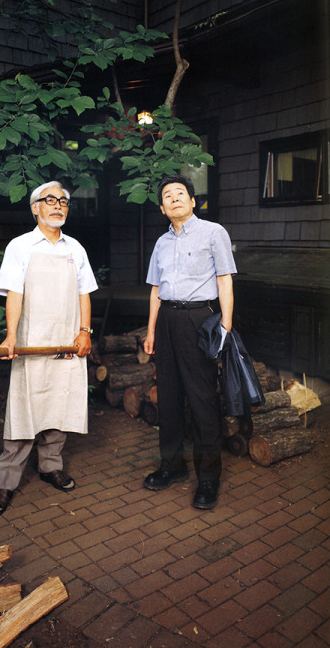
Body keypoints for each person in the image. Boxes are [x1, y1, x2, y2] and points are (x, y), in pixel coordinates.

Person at [0, 180, 98, 516]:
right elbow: (14, 294)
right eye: (50, 200)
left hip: (66, 342)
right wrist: (11, 336)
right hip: (32, 343)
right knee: (24, 409)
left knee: (58, 405)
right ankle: (5, 483)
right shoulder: (20, 247)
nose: (58, 205)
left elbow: (84, 294)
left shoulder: (75, 249)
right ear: (35, 208)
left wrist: (84, 332)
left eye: (63, 201)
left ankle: (50, 466)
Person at [143, 174, 237, 510]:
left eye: (180, 193)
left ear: (193, 201)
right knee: (168, 398)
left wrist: (225, 326)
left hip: (199, 320)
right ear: (162, 208)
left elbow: (224, 279)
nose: (174, 198)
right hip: (167, 320)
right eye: (167, 195)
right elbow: (156, 289)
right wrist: (152, 330)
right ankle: (172, 466)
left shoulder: (214, 233)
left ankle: (208, 479)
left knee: (201, 400)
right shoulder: (161, 243)